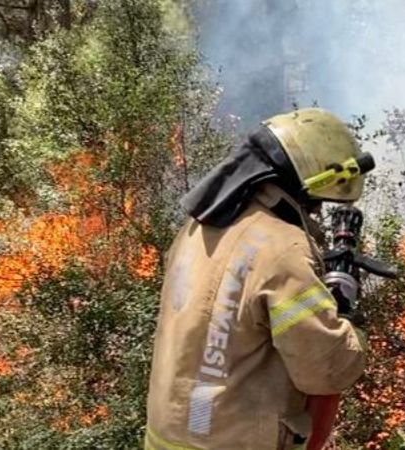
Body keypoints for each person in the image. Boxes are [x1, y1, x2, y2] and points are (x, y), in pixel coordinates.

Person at [145, 108, 372, 449]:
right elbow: (324, 368)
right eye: (316, 205)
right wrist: (349, 326)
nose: (316, 212)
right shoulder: (283, 247)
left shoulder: (199, 226)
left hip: (168, 437)